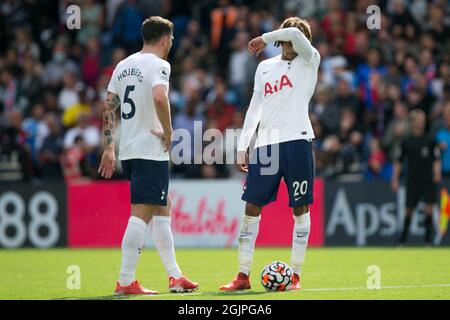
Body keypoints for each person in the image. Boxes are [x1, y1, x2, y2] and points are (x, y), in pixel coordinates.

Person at [98, 16, 199, 295]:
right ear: (165, 39)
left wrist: (109, 147)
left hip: (129, 150)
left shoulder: (123, 65)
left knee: (163, 205)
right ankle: (125, 280)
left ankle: (175, 276)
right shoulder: (160, 65)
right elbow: (159, 97)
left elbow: (109, 107)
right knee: (141, 214)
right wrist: (168, 131)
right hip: (149, 149)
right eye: (171, 40)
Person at [220, 16, 320, 291]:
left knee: (300, 208)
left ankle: (295, 275)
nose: (289, 42)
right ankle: (242, 276)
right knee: (251, 208)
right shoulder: (265, 67)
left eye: (293, 37)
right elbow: (255, 107)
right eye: (285, 38)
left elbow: (297, 36)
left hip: (298, 141)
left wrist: (264, 38)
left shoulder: (311, 59)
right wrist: (243, 145)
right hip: (266, 145)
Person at [391, 110, 441, 246]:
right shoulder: (406, 142)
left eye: (422, 119)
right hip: (412, 180)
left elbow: (436, 159)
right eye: (418, 120)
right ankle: (402, 239)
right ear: (412, 122)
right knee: (409, 209)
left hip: (427, 180)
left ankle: (428, 240)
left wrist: (437, 173)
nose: (421, 122)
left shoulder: (430, 140)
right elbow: (399, 161)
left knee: (429, 209)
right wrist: (394, 179)